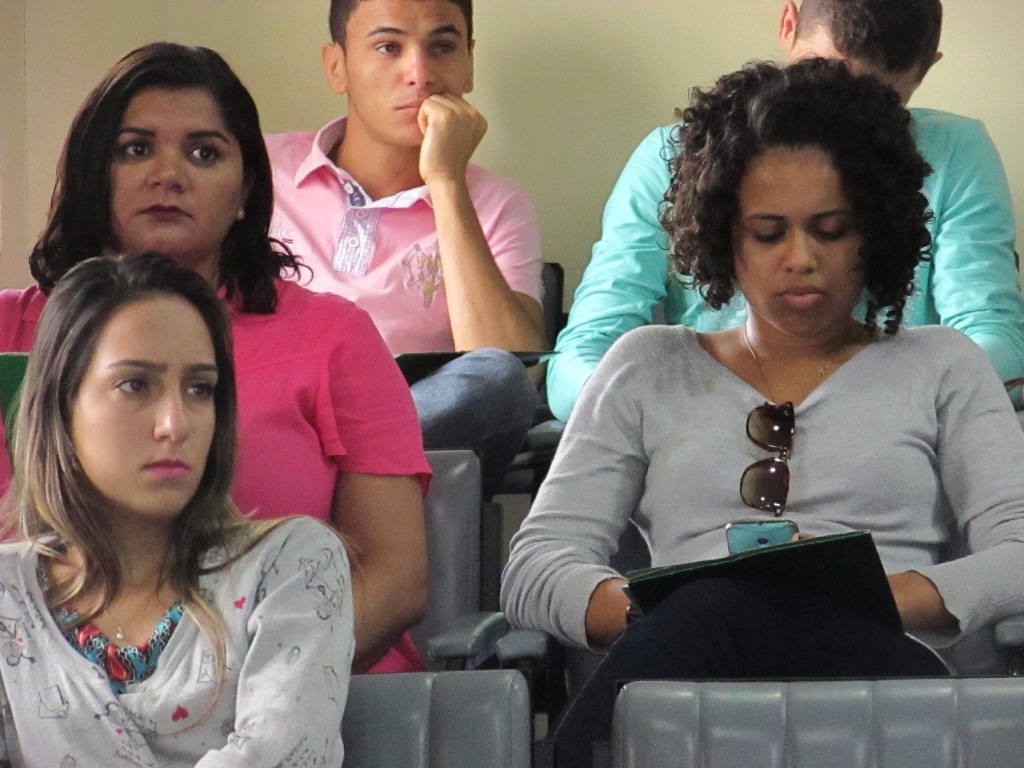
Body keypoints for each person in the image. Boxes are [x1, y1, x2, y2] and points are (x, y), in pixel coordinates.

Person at [500, 59, 1024, 768]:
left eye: (831, 230)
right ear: (725, 238)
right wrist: (652, 607)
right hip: (689, 681)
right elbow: (534, 567)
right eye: (769, 233)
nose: (800, 259)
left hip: (886, 690)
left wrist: (876, 598)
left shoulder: (943, 364)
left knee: (716, 610)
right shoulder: (647, 365)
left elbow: (1019, 552)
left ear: (875, 231)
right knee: (713, 609)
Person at [0, 43, 430, 675]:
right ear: (92, 173)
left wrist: (226, 689)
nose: (168, 175)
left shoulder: (334, 336)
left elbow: (395, 578)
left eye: (204, 153)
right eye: (135, 149)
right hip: (48, 693)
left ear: (246, 188)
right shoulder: (11, 330)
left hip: (301, 689)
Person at [546, 0, 1024, 422]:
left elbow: (994, 342)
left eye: (880, 117)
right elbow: (583, 357)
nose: (836, 132)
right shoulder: (670, 156)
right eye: (767, 232)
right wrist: (675, 416)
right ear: (788, 23)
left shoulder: (956, 151)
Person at [0, 253, 353, 765]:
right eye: (135, 385)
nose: (175, 424)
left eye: (199, 390)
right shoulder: (8, 593)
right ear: (62, 404)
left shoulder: (291, 565)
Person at [266, 0, 547, 497]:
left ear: (469, 63)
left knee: (499, 379)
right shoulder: (261, 170)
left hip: (406, 421)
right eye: (388, 47)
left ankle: (310, 480)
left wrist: (447, 181)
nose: (420, 74)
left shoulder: (498, 203)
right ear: (337, 66)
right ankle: (310, 476)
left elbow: (512, 368)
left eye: (442, 47)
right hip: (273, 413)